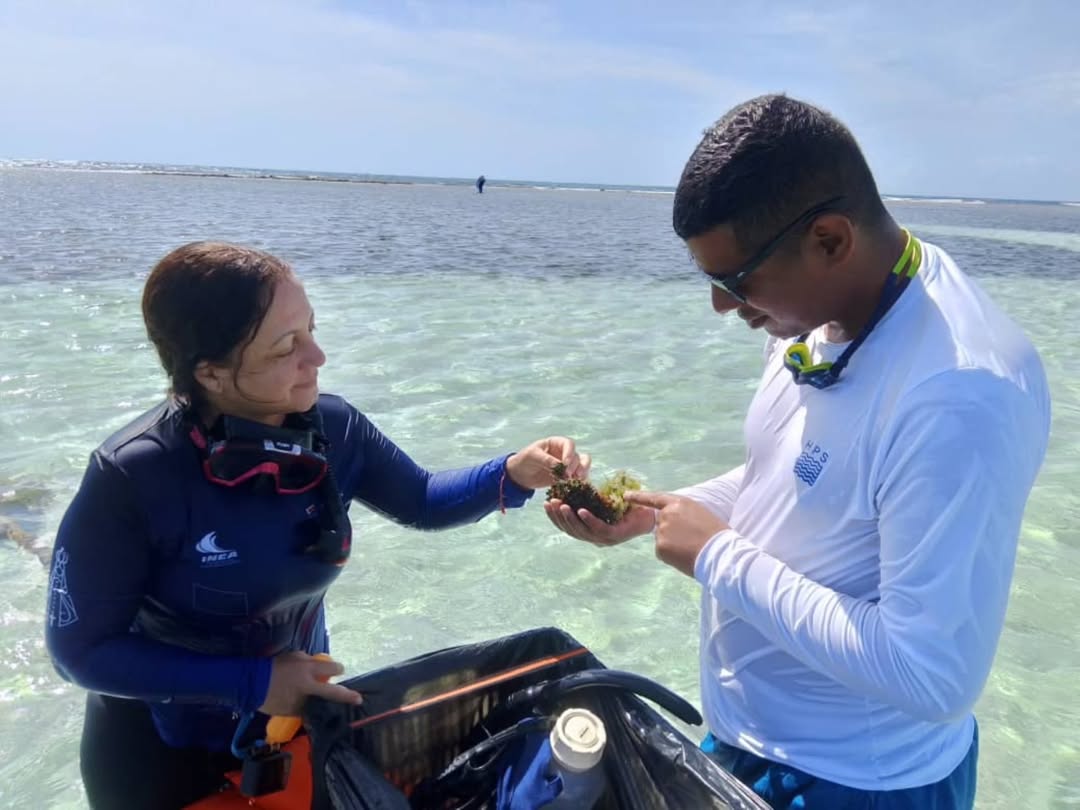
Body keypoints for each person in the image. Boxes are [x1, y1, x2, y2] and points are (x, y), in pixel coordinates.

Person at [545, 94, 1050, 809]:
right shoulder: (822, 308)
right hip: (753, 741)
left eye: (735, 281)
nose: (722, 307)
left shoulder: (958, 398)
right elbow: (797, 474)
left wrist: (716, 556)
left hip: (860, 780)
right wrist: (664, 512)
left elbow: (934, 675)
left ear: (831, 240)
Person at [45, 241, 589, 810]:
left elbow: (422, 500)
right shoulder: (134, 474)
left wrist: (513, 473)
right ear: (212, 372)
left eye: (311, 328)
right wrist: (254, 684)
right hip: (160, 756)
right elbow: (77, 652)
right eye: (288, 347)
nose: (319, 357)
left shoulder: (336, 429)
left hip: (288, 722)